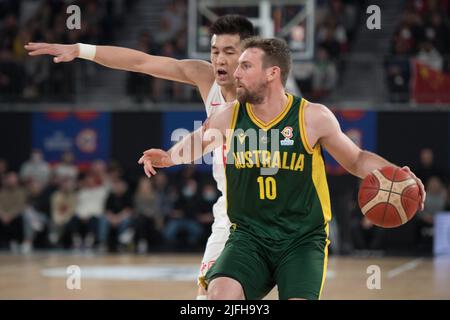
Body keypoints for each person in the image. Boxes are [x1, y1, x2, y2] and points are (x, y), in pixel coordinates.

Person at [138, 37, 426, 300]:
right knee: (219, 297)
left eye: (245, 66)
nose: (235, 73)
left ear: (272, 73)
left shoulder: (312, 117)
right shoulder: (229, 116)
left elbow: (357, 159)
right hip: (249, 235)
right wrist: (168, 156)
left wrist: (397, 175)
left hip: (301, 239)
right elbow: (199, 142)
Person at [25, 15, 255, 299]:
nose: (219, 59)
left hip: (274, 215)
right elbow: (140, 62)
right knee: (208, 299)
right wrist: (80, 49)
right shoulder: (205, 77)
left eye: (229, 52)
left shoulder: (267, 96)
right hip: (230, 215)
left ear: (248, 56)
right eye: (215, 51)